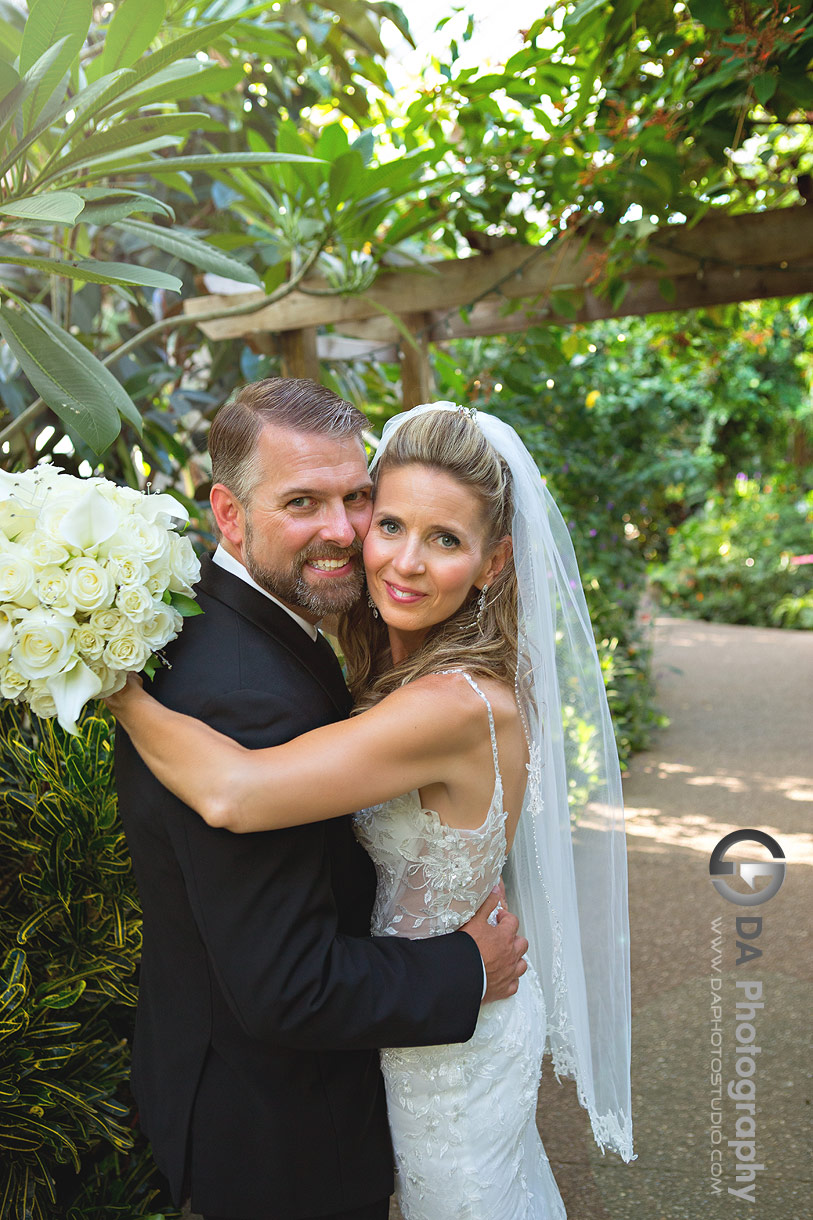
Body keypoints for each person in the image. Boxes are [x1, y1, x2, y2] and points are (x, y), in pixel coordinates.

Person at [110, 401, 635, 1220]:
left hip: (450, 1051)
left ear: (494, 563)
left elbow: (236, 792)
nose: (397, 557)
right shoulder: (349, 663)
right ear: (228, 512)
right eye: (388, 521)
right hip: (379, 1039)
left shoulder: (451, 703)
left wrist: (120, 693)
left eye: (446, 539)